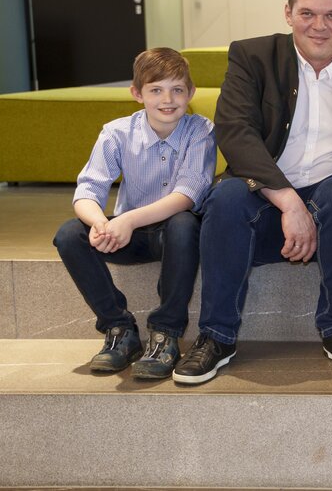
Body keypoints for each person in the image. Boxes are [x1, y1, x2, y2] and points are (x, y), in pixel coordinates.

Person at [172, 0, 332, 384]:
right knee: (225, 198)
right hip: (264, 195)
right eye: (308, 13)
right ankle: (216, 336)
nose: (320, 25)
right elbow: (235, 132)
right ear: (288, 13)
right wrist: (288, 200)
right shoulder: (252, 56)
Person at [53, 47, 215, 379]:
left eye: (177, 90)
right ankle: (119, 329)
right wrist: (101, 222)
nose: (167, 99)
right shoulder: (116, 133)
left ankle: (165, 333)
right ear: (137, 94)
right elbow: (87, 191)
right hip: (129, 238)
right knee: (70, 233)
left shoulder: (201, 131)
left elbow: (187, 195)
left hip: (177, 239)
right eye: (155, 90)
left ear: (191, 93)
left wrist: (126, 219)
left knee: (184, 223)